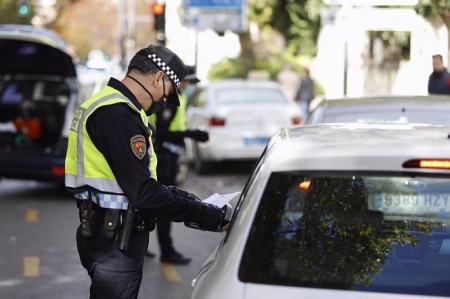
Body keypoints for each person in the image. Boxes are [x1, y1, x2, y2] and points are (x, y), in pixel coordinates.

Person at [65, 44, 229, 299]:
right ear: (157, 78)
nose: (164, 102)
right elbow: (144, 194)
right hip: (116, 243)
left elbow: (132, 181)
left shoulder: (108, 105)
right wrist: (208, 216)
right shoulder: (118, 115)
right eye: (168, 93)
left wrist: (181, 197)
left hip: (106, 235)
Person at [145, 66, 207, 264]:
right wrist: (192, 134)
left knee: (155, 204)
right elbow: (162, 133)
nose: (190, 86)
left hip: (168, 156)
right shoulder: (169, 102)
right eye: (188, 82)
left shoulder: (178, 98)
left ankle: (141, 245)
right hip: (163, 158)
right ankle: (166, 250)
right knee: (163, 204)